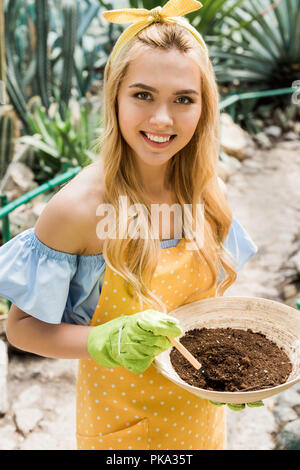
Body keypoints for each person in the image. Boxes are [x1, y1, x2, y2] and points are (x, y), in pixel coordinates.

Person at [0, 0, 259, 450]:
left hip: (200, 419)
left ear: (204, 107)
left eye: (183, 99)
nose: (162, 119)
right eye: (143, 95)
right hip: (120, 431)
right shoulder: (76, 209)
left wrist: (234, 371)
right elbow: (20, 327)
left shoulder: (209, 190)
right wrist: (102, 340)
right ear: (115, 96)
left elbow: (205, 310)